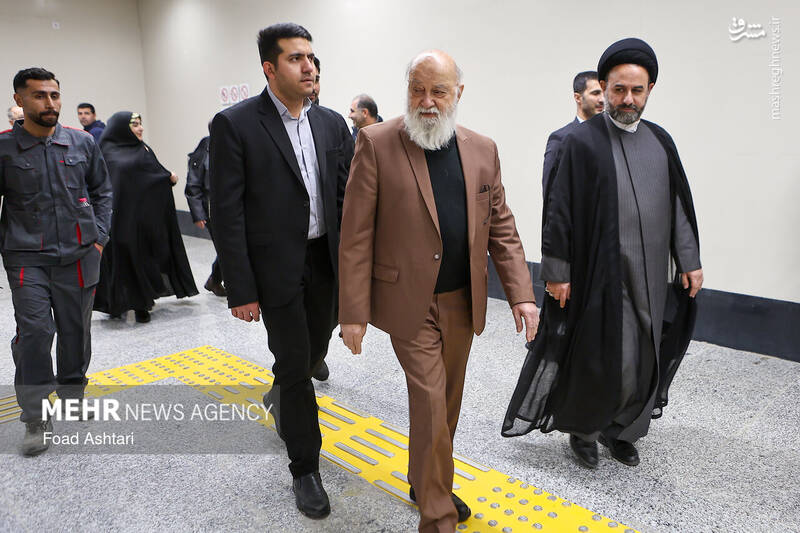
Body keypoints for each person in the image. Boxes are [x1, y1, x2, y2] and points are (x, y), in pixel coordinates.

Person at [338, 50, 539, 533]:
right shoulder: (376, 143)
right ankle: (438, 516)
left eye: (438, 91)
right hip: (408, 301)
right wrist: (353, 312)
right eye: (417, 90)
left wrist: (522, 295)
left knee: (446, 403)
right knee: (430, 402)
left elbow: (501, 227)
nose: (426, 101)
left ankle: (423, 479)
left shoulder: (482, 149)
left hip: (462, 300)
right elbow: (356, 234)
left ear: (458, 94)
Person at [503, 38, 703, 471]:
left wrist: (689, 259)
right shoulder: (581, 141)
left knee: (643, 354)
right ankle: (585, 431)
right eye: (618, 89)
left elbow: (678, 206)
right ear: (605, 88)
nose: (627, 99)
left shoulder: (660, 141)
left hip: (651, 274)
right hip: (599, 270)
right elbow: (558, 208)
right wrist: (557, 271)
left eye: (637, 90)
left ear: (650, 90)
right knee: (598, 353)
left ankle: (622, 430)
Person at [209, 23, 353, 519]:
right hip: (276, 268)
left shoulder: (331, 124)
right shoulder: (236, 124)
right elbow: (227, 214)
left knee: (315, 351)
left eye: (310, 57)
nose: (308, 66)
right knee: (295, 365)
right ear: (269, 68)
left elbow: (346, 197)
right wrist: (240, 288)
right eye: (295, 58)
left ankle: (280, 393)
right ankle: (305, 468)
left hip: (325, 262)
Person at [0, 67, 112, 456]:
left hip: (80, 254)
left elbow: (102, 191)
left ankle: (71, 393)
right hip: (26, 256)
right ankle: (35, 415)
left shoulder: (82, 142)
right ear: (19, 100)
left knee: (76, 331)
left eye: (54, 95)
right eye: (39, 96)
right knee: (34, 332)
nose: (49, 103)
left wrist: (99, 239)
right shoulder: (4, 148)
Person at [93, 111, 198, 322]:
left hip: (143, 220)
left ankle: (142, 303)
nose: (140, 128)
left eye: (140, 124)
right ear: (121, 128)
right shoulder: (106, 153)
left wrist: (168, 178)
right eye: (134, 124)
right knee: (120, 262)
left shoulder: (143, 149)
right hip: (116, 221)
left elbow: (154, 174)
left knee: (143, 259)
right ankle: (118, 304)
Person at [541, 71, 604, 198]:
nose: (602, 99)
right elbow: (550, 195)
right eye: (596, 93)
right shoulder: (561, 139)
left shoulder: (611, 137)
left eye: (604, 93)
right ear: (578, 98)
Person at [185, 126, 225, 297]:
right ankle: (216, 280)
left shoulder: (233, 145)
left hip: (234, 207)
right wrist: (198, 214)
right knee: (226, 248)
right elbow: (193, 184)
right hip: (213, 210)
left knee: (230, 247)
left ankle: (215, 279)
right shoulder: (203, 151)